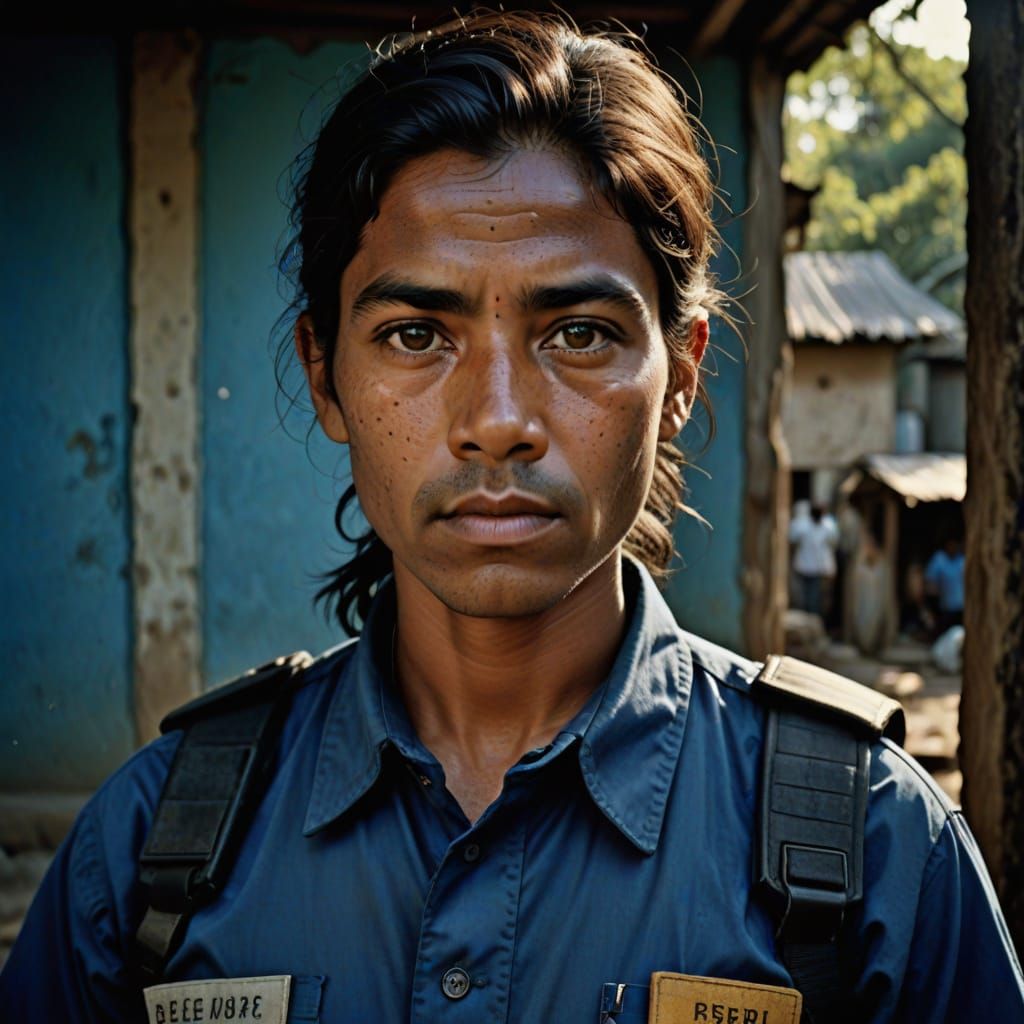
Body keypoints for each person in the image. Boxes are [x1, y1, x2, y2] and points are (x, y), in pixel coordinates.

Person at [2, 12, 1021, 1023]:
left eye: (578, 332)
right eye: (414, 334)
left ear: (681, 374)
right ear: (325, 373)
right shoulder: (147, 856)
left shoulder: (878, 852)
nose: (497, 421)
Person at [788, 501, 839, 619]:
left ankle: (815, 623)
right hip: (804, 568)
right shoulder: (801, 525)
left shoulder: (828, 526)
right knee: (804, 599)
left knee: (816, 599)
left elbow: (834, 544)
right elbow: (792, 540)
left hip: (819, 569)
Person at [924, 535, 965, 636]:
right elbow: (930, 582)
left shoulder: (962, 560)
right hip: (945, 606)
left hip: (960, 606)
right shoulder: (939, 559)